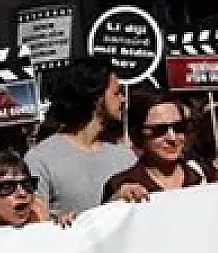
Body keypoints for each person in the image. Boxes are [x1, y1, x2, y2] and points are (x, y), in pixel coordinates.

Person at [25, 58, 136, 215]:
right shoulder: (40, 159)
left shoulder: (125, 156)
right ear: (96, 97)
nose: (123, 100)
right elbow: (37, 222)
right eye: (117, 93)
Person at [104, 93, 218, 202]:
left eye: (179, 128)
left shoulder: (206, 175)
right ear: (137, 134)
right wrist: (115, 203)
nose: (172, 138)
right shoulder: (120, 185)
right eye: (159, 130)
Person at [0, 151, 74, 229]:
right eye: (7, 187)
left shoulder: (44, 225)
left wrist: (64, 228)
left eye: (27, 185)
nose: (22, 193)